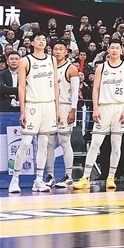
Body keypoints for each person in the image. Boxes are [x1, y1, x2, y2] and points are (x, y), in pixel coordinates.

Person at [73, 39, 124, 190]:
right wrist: (95, 108)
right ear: (108, 49)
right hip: (103, 108)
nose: (114, 50)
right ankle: (85, 177)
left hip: (119, 108)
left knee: (116, 145)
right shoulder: (101, 67)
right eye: (112, 47)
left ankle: (111, 177)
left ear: (121, 50)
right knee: (95, 143)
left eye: (117, 48)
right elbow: (95, 89)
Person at [8, 33, 61, 193]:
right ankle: (14, 179)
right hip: (32, 105)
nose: (42, 41)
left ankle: (38, 179)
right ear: (32, 42)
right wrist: (22, 110)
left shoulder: (52, 59)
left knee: (44, 144)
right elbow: (21, 87)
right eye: (38, 39)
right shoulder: (25, 61)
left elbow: (55, 85)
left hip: (49, 105)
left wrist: (57, 109)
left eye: (44, 39)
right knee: (25, 143)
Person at [45, 40, 79, 188]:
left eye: (61, 49)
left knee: (65, 142)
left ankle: (68, 175)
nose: (58, 51)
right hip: (49, 107)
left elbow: (75, 92)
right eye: (55, 49)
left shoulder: (71, 68)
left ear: (66, 51)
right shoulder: (48, 67)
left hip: (65, 106)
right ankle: (50, 175)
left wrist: (73, 109)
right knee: (49, 144)